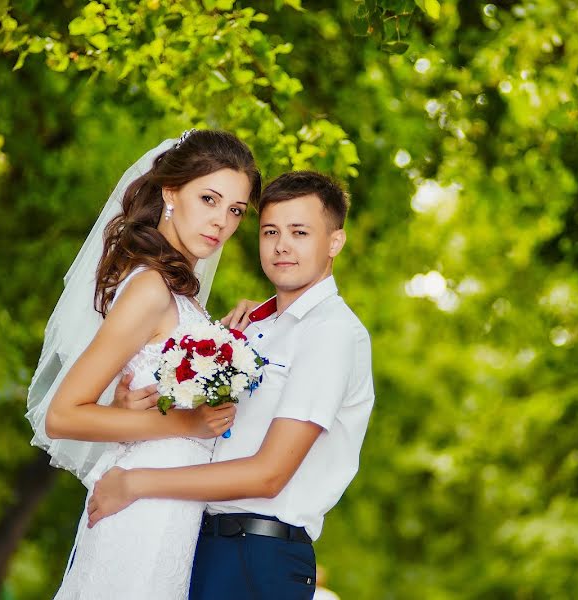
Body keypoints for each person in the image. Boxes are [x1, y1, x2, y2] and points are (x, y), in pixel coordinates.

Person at [87, 171, 375, 600]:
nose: (282, 245)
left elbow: (268, 475)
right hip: (201, 542)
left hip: (258, 555)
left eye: (300, 232)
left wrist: (136, 482)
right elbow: (208, 424)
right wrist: (131, 405)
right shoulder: (254, 326)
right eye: (270, 231)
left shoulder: (330, 332)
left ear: (334, 242)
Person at [25, 129, 262, 599]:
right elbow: (63, 414)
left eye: (235, 210)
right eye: (209, 199)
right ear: (171, 192)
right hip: (141, 509)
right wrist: (187, 423)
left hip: (169, 507)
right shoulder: (151, 288)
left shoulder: (175, 291)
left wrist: (242, 331)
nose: (221, 222)